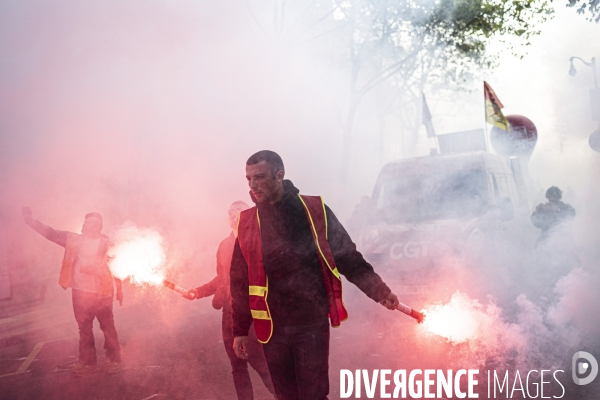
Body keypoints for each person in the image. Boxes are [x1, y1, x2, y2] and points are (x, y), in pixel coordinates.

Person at [230, 150, 400, 400]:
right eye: (248, 179)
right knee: (286, 396)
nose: (253, 186)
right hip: (272, 327)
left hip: (309, 322)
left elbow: (346, 255)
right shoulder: (246, 222)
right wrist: (240, 329)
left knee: (314, 395)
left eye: (260, 177)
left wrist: (379, 290)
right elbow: (239, 279)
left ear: (279, 175)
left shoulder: (313, 209)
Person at [184, 201, 275, 400]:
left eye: (239, 211)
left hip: (251, 314)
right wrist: (198, 292)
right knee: (237, 367)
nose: (234, 216)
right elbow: (221, 278)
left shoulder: (257, 242)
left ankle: (284, 396)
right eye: (231, 212)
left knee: (261, 364)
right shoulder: (224, 245)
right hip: (229, 315)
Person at [21, 207, 123, 376]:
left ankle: (114, 360)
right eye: (84, 222)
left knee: (108, 327)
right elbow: (51, 233)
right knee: (84, 328)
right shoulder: (73, 239)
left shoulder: (107, 244)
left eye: (88, 223)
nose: (84, 225)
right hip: (80, 293)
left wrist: (119, 290)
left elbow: (119, 266)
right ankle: (88, 363)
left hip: (102, 293)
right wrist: (30, 221)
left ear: (98, 227)